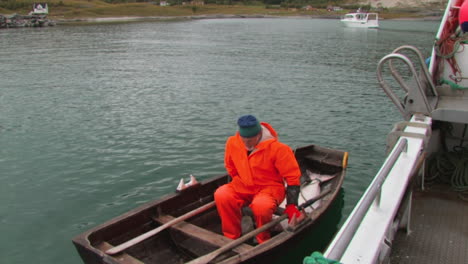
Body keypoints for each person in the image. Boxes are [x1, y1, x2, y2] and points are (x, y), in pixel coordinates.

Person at [214, 115, 303, 244]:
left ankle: (263, 238)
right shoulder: (232, 142)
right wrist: (239, 188)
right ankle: (231, 236)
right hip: (243, 184)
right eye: (243, 140)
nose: (247, 144)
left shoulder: (279, 149)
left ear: (259, 134)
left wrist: (291, 205)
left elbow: (292, 177)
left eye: (250, 140)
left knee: (261, 207)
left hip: (270, 188)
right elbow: (230, 167)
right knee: (221, 194)